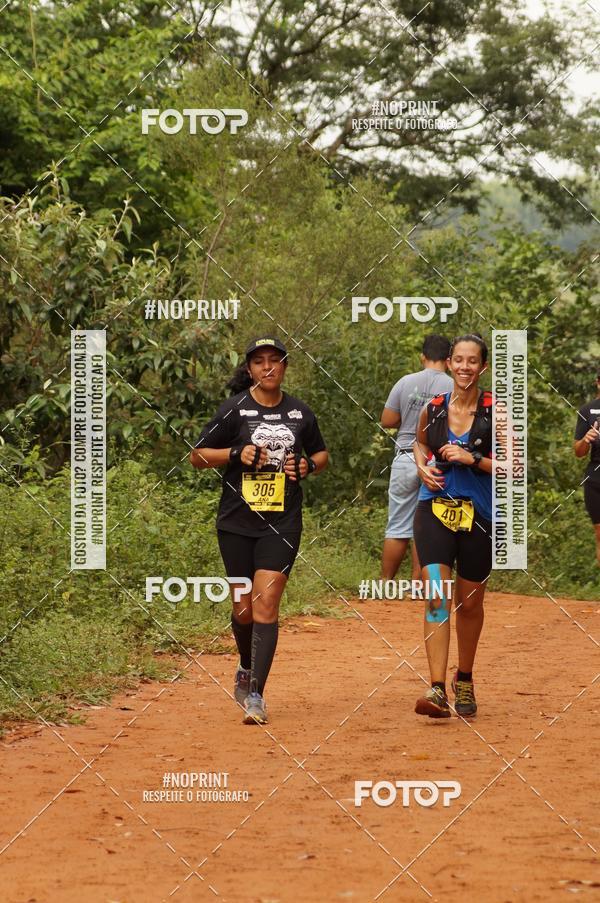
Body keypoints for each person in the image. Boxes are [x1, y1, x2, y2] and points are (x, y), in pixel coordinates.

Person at [190, 337, 328, 725]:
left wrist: (307, 467)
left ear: (285, 367)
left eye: (275, 361)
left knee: (267, 603)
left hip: (282, 522)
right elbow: (197, 456)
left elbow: (320, 453)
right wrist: (235, 454)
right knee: (243, 606)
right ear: (249, 369)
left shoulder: (301, 413)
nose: (268, 368)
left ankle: (256, 695)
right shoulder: (233, 410)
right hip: (236, 522)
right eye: (259, 362)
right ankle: (246, 664)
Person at [411, 334, 494, 719]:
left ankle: (464, 677)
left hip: (480, 515)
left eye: (472, 361)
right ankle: (436, 688)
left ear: (483, 367)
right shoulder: (434, 407)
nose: (464, 367)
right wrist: (422, 466)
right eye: (458, 360)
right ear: (447, 364)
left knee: (470, 602)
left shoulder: (497, 412)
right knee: (437, 597)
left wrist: (472, 457)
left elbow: (515, 467)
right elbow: (418, 443)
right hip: (435, 510)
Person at [380, 335, 453, 580]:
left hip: (404, 456)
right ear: (449, 359)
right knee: (427, 527)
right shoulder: (454, 386)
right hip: (436, 459)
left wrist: (410, 421)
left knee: (397, 526)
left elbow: (387, 421)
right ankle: (418, 586)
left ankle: (385, 583)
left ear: (422, 356)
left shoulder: (405, 382)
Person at [573, 372, 600, 565]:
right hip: (595, 479)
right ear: (598, 383)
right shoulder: (587, 410)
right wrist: (587, 439)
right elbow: (579, 451)